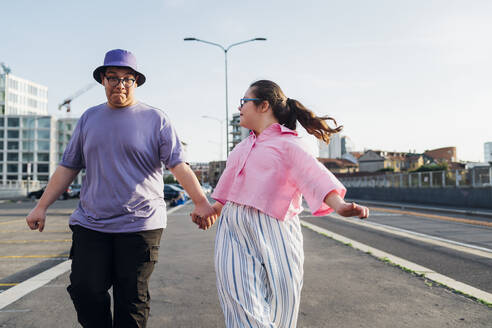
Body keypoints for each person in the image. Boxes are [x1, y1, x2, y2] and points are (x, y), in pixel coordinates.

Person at [26, 49, 216, 328]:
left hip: (140, 224)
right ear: (103, 80)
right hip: (92, 223)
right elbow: (68, 167)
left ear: (136, 82)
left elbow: (179, 165)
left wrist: (201, 201)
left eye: (127, 79)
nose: (120, 84)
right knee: (84, 289)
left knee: (131, 301)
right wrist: (41, 206)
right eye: (113, 78)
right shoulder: (89, 119)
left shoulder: (156, 119)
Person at [191, 80, 369, 328]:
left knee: (281, 310)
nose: (240, 108)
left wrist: (340, 206)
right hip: (233, 230)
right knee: (242, 309)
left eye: (244, 102)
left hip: (276, 230)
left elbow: (314, 176)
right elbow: (229, 193)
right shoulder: (240, 149)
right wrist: (211, 212)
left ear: (264, 106)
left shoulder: (290, 143)